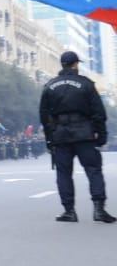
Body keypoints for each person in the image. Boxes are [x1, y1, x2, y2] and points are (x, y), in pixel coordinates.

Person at [40, 50, 113, 223]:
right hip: (84, 133)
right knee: (93, 170)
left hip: (60, 135)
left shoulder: (50, 85)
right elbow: (98, 112)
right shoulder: (86, 84)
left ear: (62, 64)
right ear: (75, 64)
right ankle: (99, 210)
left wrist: (49, 139)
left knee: (63, 173)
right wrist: (101, 135)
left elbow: (44, 116)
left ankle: (69, 211)